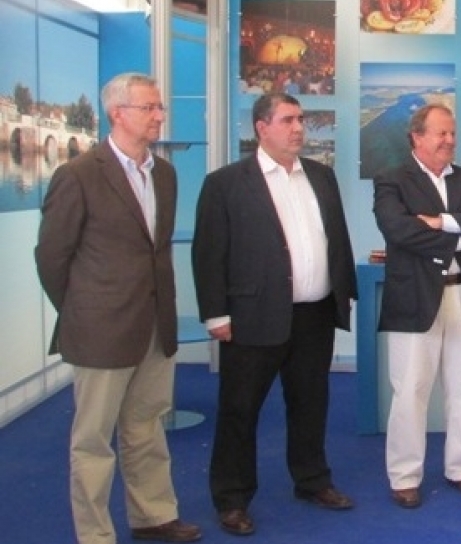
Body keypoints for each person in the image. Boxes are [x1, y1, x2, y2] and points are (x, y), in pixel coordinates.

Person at [34, 72, 201, 544]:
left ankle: (153, 516)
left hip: (154, 326)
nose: (159, 115)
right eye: (149, 107)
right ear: (117, 114)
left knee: (146, 426)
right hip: (100, 331)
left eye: (159, 107)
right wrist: (83, 311)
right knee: (93, 440)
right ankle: (95, 534)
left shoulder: (164, 174)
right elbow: (51, 257)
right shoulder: (79, 175)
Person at [191, 92, 358, 536]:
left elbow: (336, 240)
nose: (299, 128)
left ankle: (312, 480)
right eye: (288, 120)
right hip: (252, 316)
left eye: (301, 119)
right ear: (261, 128)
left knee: (311, 403)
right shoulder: (226, 183)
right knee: (240, 410)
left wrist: (344, 293)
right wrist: (215, 314)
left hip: (314, 315)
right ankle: (232, 498)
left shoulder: (321, 176)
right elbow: (209, 254)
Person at [373, 104, 461, 509]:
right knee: (410, 390)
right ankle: (405, 475)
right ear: (417, 137)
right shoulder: (392, 179)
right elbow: (398, 229)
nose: (449, 140)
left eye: (451, 132)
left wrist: (441, 221)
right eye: (440, 133)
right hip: (415, 297)